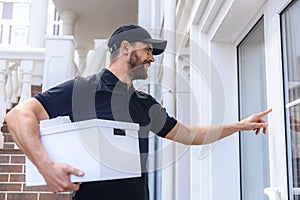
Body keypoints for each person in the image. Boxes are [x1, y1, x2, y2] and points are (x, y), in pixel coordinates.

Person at [4, 24, 272, 200]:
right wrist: (45, 166)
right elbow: (17, 116)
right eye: (147, 50)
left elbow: (190, 134)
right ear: (125, 48)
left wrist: (238, 125)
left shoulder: (144, 103)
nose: (152, 58)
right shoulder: (83, 89)